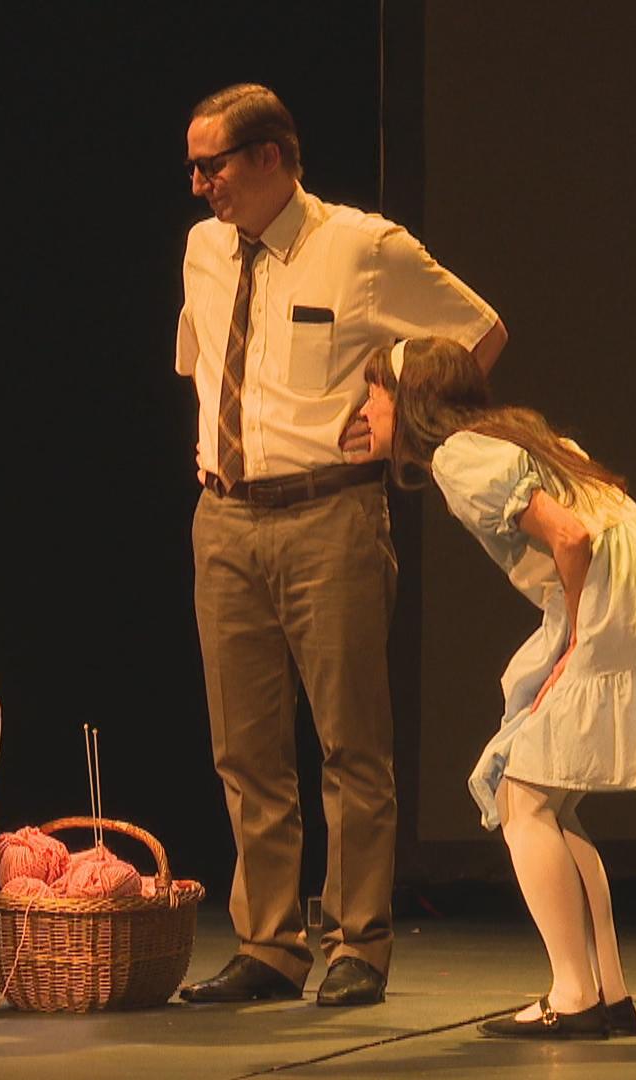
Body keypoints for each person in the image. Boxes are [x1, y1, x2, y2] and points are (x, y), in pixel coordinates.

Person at [174, 83, 507, 1007]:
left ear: (271, 157)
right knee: (245, 752)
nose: (199, 185)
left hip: (329, 515)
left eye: (213, 165)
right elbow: (204, 366)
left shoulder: (362, 247)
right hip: (224, 517)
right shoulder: (203, 251)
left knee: (350, 744)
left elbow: (478, 332)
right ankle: (269, 946)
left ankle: (357, 942)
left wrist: (405, 432)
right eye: (192, 168)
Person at [355, 337, 636, 1038]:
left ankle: (576, 994)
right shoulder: (510, 434)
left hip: (615, 596)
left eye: (375, 393)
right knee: (549, 801)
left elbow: (570, 536)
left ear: (409, 402)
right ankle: (607, 992)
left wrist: (582, 636)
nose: (365, 407)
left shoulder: (459, 456)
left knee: (520, 796)